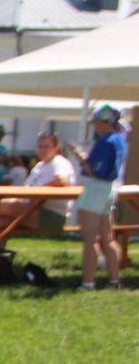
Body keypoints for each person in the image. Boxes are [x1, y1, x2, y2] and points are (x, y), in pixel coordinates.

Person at [69, 105, 128, 289]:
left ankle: (88, 282)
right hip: (109, 189)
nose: (94, 126)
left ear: (105, 122)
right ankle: (114, 280)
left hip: (95, 190)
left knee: (90, 239)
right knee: (107, 237)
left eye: (96, 122)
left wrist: (79, 155)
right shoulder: (119, 140)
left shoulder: (105, 142)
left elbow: (94, 171)